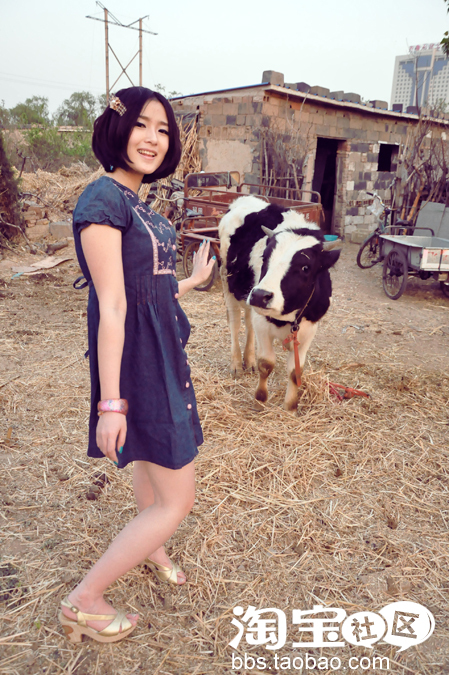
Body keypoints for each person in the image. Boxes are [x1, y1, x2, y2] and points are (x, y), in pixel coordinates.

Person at [59, 86, 215, 644]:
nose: (153, 139)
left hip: (160, 354)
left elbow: (146, 288)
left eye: (163, 130)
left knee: (151, 465)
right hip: (138, 364)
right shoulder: (103, 201)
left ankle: (150, 545)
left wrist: (190, 281)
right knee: (177, 498)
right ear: (116, 129)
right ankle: (84, 601)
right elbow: (113, 305)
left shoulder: (136, 202)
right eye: (142, 125)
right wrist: (111, 403)